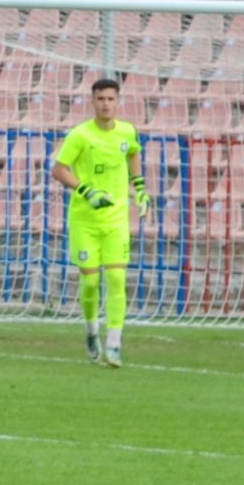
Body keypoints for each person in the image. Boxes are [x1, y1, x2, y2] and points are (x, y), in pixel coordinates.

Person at [52, 75, 151, 369]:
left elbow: (133, 153)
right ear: (92, 102)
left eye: (111, 99)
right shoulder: (80, 135)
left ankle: (115, 344)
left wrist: (141, 190)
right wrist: (86, 191)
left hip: (116, 219)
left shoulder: (127, 131)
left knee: (118, 278)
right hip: (85, 219)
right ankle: (91, 331)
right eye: (101, 99)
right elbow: (59, 169)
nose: (106, 104)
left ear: (118, 102)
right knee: (91, 282)